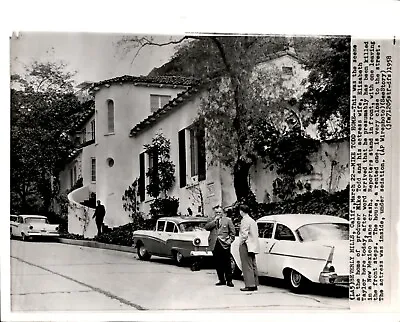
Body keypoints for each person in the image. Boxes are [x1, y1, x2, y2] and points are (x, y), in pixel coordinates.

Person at [205, 205, 236, 287]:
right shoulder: (211, 219)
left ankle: (229, 280)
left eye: (219, 212)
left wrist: (229, 241)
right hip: (215, 243)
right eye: (216, 212)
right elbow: (207, 227)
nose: (218, 214)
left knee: (227, 262)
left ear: (223, 212)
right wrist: (214, 221)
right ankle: (221, 279)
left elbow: (233, 232)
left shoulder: (228, 220)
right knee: (218, 262)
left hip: (224, 244)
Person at [238, 204, 260, 292]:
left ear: (241, 211)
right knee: (253, 264)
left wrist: (241, 242)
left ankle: (249, 284)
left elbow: (244, 234)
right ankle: (254, 283)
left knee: (246, 265)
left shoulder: (245, 221)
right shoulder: (252, 220)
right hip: (253, 245)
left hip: (246, 244)